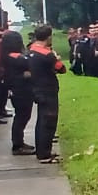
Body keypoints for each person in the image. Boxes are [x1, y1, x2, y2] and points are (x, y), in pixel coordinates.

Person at [28, 24, 67, 164]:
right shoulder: (47, 54)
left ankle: (42, 151)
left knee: (41, 121)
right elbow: (62, 69)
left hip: (37, 89)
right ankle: (44, 154)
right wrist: (56, 58)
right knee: (49, 122)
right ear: (49, 36)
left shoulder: (31, 50)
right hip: (48, 90)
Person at [0, 30, 36, 155]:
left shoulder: (5, 55)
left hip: (16, 89)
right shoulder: (16, 57)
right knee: (22, 116)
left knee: (21, 116)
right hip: (22, 89)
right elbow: (30, 64)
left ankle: (19, 142)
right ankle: (17, 145)